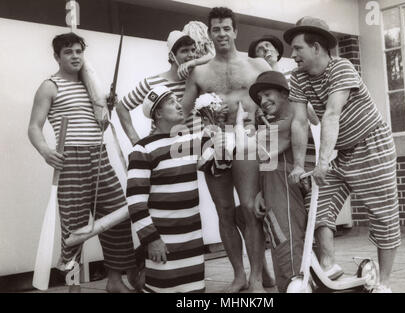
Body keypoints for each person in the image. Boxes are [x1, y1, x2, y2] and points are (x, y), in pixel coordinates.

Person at [182, 7, 307, 293]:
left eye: (227, 28)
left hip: (249, 142)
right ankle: (239, 275)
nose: (222, 33)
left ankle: (256, 278)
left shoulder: (258, 66)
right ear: (209, 34)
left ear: (235, 31)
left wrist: (280, 130)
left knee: (250, 209)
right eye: (216, 29)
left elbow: (281, 94)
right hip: (215, 143)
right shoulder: (200, 71)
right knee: (224, 211)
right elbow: (184, 110)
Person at [284, 16, 401, 292]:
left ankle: (384, 283)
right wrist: (299, 165)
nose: (292, 54)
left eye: (297, 48)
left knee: (383, 215)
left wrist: (323, 161)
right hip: (345, 151)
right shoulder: (298, 78)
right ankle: (328, 265)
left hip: (373, 146)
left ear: (316, 47)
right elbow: (299, 122)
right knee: (318, 201)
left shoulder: (342, 68)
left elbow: (332, 114)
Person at [28, 32, 138, 293]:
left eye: (79, 51)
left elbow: (101, 125)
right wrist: (45, 151)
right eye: (68, 52)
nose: (75, 56)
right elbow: (34, 126)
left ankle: (114, 281)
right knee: (74, 231)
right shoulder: (50, 86)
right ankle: (73, 289)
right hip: (71, 160)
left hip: (99, 155)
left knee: (117, 218)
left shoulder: (92, 85)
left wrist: (106, 108)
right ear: (57, 56)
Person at [126, 85, 229, 293]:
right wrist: (151, 239)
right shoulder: (143, 149)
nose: (179, 105)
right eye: (171, 103)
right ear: (158, 113)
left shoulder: (190, 141)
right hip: (162, 241)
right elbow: (135, 202)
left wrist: (217, 138)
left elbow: (219, 168)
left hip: (191, 241)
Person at [248, 71, 312, 292]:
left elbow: (263, 148)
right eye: (260, 99)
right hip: (273, 185)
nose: (263, 101)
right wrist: (259, 191)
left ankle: (296, 286)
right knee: (279, 238)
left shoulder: (295, 116)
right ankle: (295, 285)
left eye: (268, 94)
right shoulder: (275, 124)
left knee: (287, 239)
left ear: (285, 93)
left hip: (288, 185)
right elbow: (265, 160)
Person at [116, 30, 199, 144]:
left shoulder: (197, 81)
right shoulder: (152, 83)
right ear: (172, 55)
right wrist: (136, 141)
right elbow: (122, 107)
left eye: (193, 50)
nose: (191, 55)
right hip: (162, 149)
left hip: (192, 148)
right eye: (184, 51)